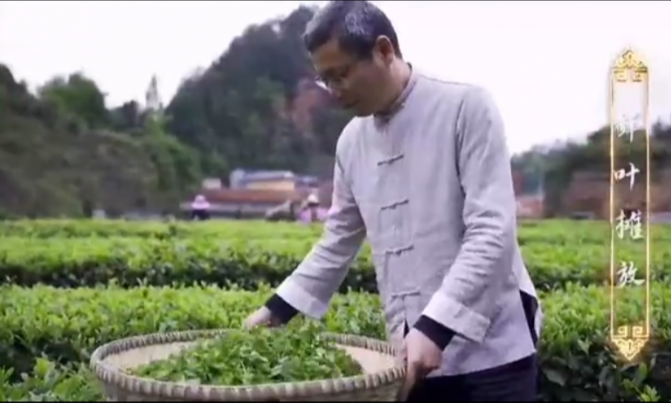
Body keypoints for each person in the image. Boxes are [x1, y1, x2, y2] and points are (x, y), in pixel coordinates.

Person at [243, 1, 542, 401]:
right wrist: (275, 311)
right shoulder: (351, 142)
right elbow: (338, 239)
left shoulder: (465, 107)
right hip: (408, 356)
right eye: (325, 80)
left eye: (341, 74)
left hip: (493, 356)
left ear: (384, 50)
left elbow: (492, 230)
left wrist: (435, 327)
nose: (334, 91)